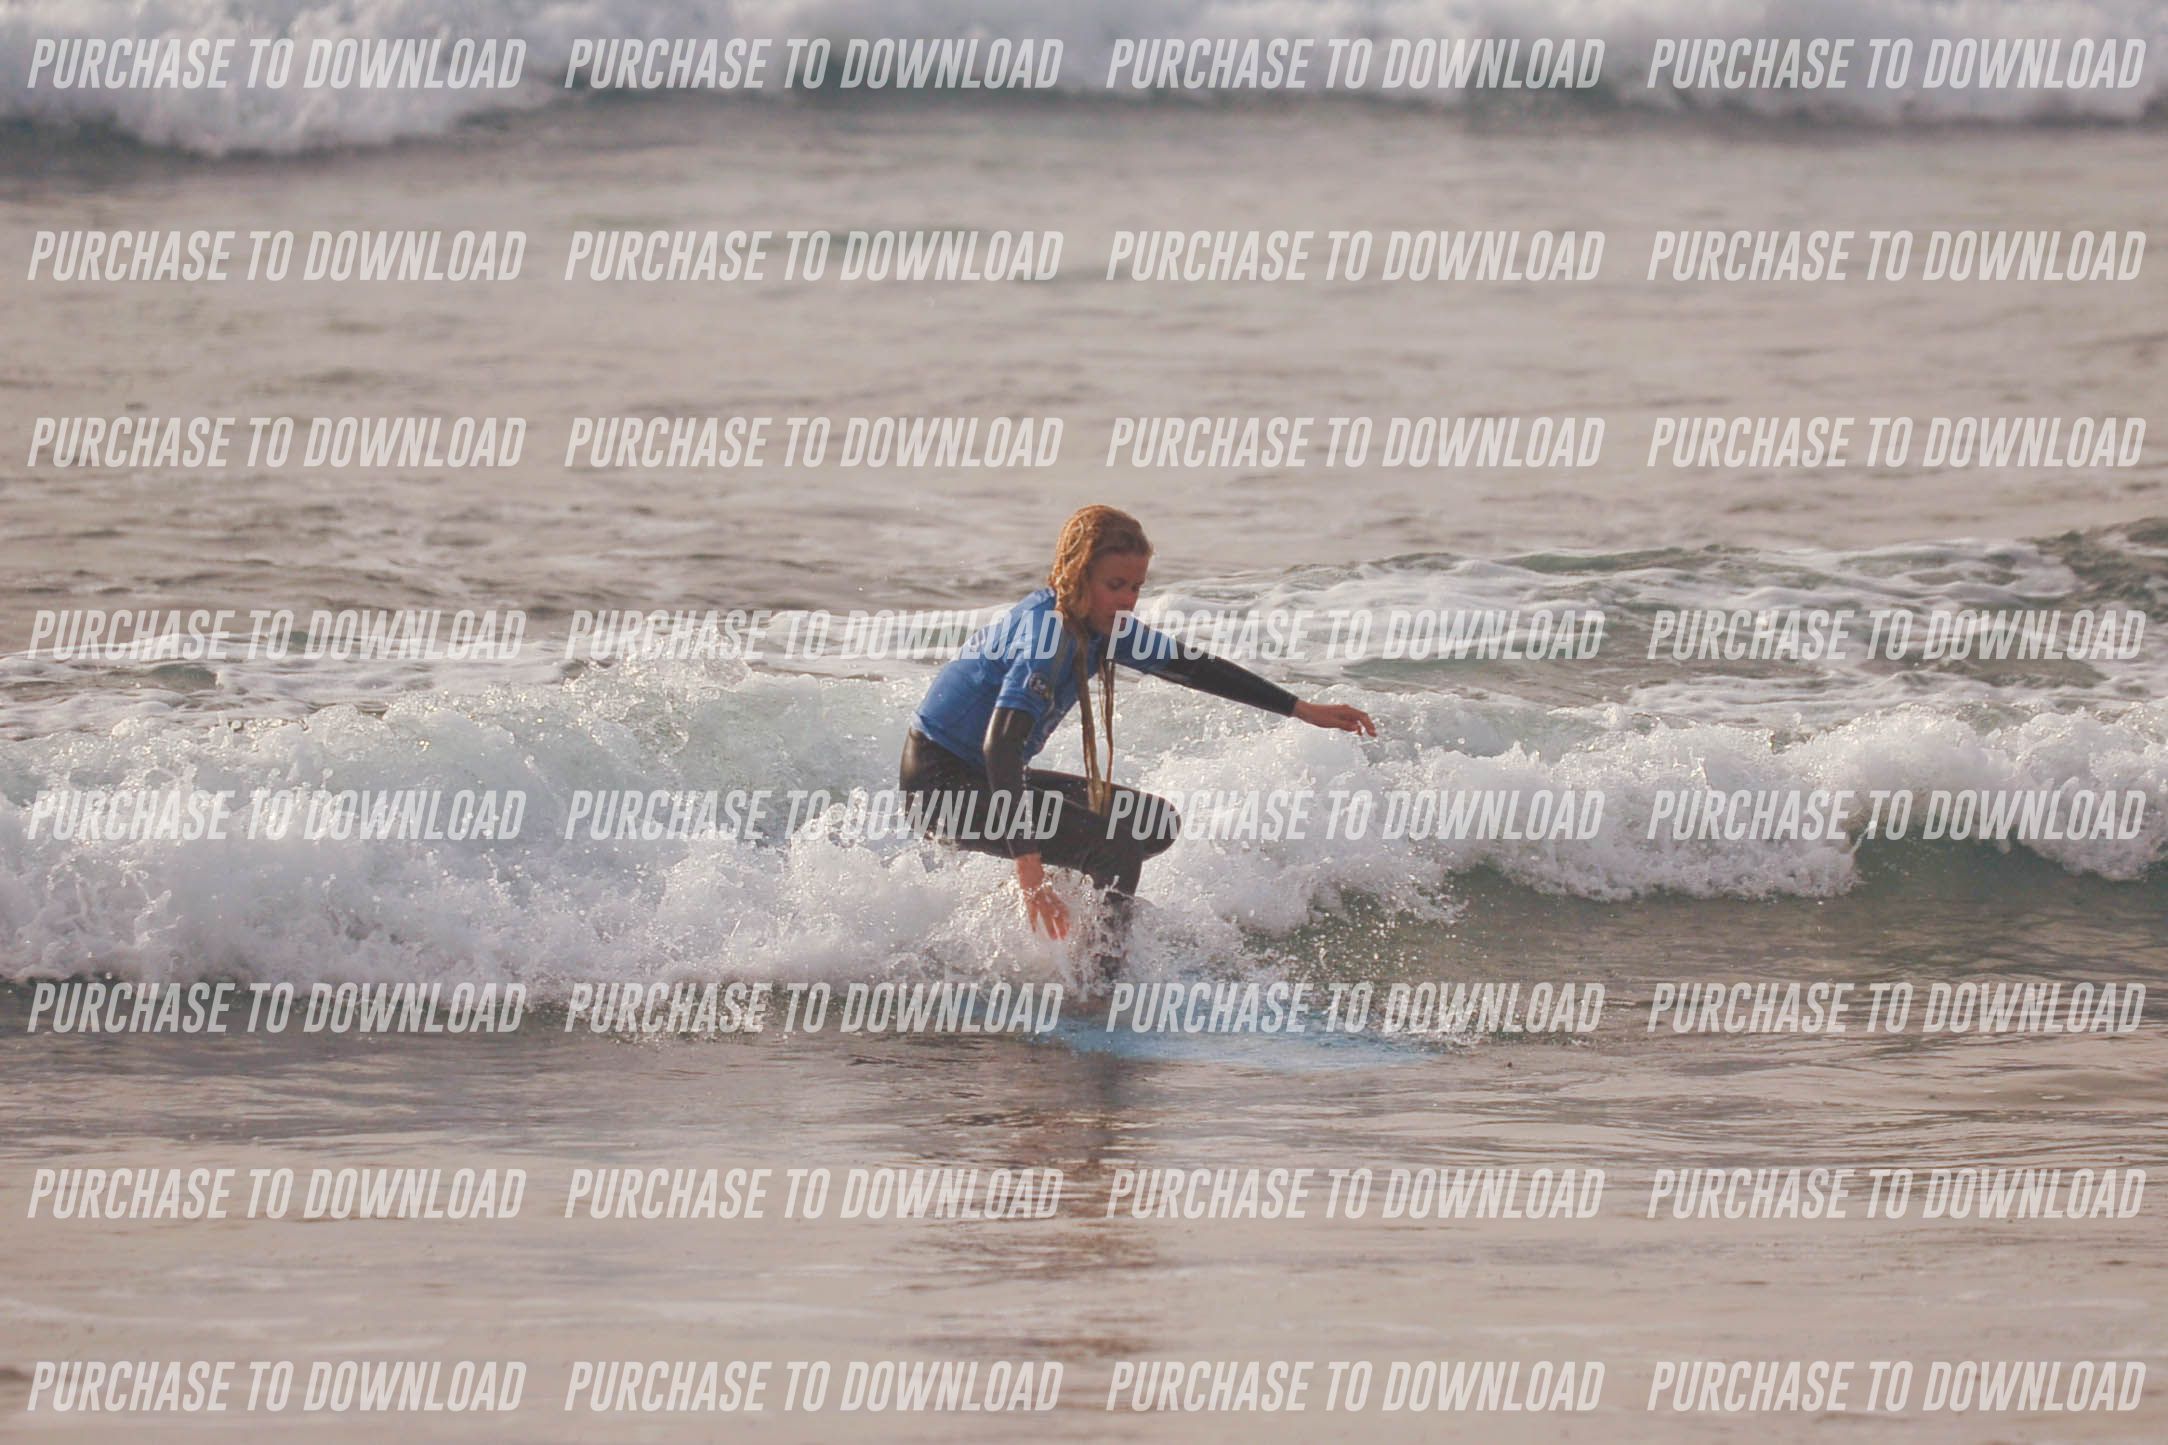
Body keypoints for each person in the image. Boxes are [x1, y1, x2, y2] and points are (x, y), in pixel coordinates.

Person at [899, 504, 1377, 957]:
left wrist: (1299, 708)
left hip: (989, 781)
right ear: (1078, 574)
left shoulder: (1102, 627)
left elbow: (1194, 667)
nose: (1128, 600)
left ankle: (1071, 937)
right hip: (941, 788)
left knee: (1151, 822)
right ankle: (1095, 987)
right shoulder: (1048, 634)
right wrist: (1029, 867)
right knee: (1117, 849)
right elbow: (1001, 745)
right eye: (1115, 585)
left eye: (1136, 587)